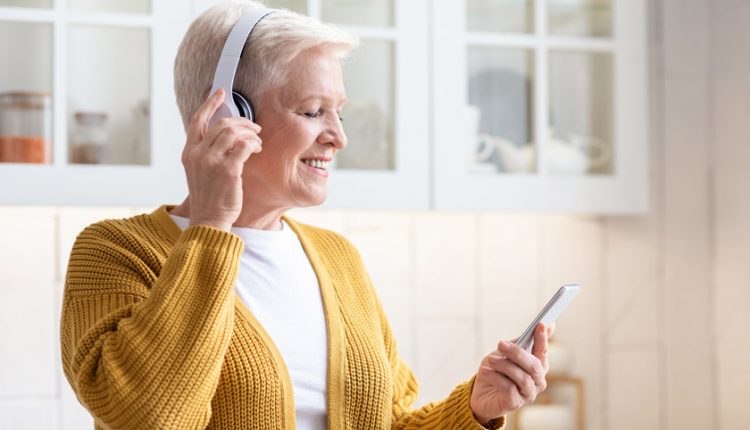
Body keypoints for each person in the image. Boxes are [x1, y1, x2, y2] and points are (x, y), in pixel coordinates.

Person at [60, 2, 554, 429]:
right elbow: (148, 417)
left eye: (339, 111)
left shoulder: (337, 259)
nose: (338, 136)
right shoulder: (115, 253)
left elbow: (393, 423)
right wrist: (211, 225)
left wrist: (474, 408)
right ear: (226, 117)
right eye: (313, 111)